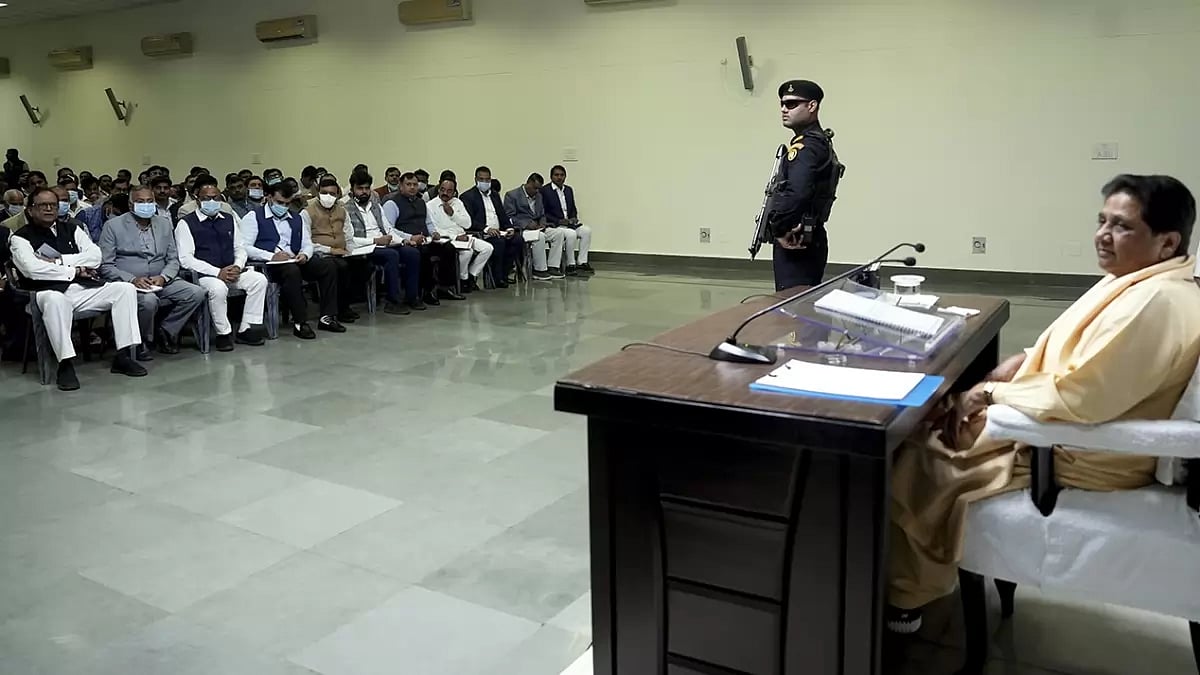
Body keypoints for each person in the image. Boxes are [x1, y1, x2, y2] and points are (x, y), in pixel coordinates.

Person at [886, 174, 1200, 634]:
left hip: (1078, 450)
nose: (1102, 235)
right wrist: (1013, 365)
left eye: (1122, 226)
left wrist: (986, 393)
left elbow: (1081, 396)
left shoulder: (1159, 302)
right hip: (1063, 421)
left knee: (916, 453)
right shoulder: (1141, 281)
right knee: (932, 415)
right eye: (1101, 221)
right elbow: (1070, 353)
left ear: (1167, 241)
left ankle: (907, 596)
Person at [9, 186, 146, 390]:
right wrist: (74, 271)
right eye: (43, 205)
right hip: (44, 292)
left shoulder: (73, 228)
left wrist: (59, 261)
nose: (49, 209)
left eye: (53, 205)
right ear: (30, 210)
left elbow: (95, 256)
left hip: (81, 289)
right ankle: (65, 364)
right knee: (56, 300)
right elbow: (32, 269)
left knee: (124, 289)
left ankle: (123, 355)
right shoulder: (20, 237)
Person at [99, 186, 207, 359]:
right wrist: (132, 279)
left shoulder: (163, 223)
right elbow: (105, 265)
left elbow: (173, 259)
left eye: (150, 201)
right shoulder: (113, 226)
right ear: (130, 204)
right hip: (130, 283)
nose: (146, 205)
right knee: (148, 301)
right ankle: (141, 340)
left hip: (161, 279)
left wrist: (164, 277)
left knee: (196, 293)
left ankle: (166, 330)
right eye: (140, 202)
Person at [241, 181, 344, 338]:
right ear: (268, 197)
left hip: (295, 259)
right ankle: (300, 322)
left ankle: (327, 317)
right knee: (292, 271)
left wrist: (305, 255)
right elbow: (245, 247)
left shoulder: (296, 218)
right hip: (271, 265)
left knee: (328, 265)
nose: (283, 207)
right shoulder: (254, 217)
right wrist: (271, 256)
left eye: (287, 204)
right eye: (279, 202)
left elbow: (307, 244)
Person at [175, 182, 267, 352]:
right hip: (205, 276)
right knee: (218, 288)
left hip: (231, 271)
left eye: (215, 198)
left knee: (258, 280)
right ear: (197, 199)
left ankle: (246, 328)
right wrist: (217, 272)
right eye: (206, 198)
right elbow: (186, 259)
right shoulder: (186, 223)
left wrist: (238, 266)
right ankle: (223, 333)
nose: (211, 201)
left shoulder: (228, 219)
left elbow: (240, 248)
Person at [769, 79, 842, 291]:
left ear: (812, 106)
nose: (784, 109)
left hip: (796, 239)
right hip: (810, 235)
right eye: (782, 104)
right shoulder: (819, 141)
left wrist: (779, 228)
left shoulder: (806, 146)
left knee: (792, 312)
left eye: (792, 104)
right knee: (802, 306)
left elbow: (797, 192)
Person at [344, 172, 424, 313]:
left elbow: (388, 229)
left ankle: (412, 297)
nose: (364, 192)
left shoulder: (376, 206)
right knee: (391, 255)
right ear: (352, 189)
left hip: (384, 243)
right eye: (360, 188)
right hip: (365, 247)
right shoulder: (346, 209)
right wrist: (375, 240)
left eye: (367, 188)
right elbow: (349, 239)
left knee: (412, 253)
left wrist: (405, 240)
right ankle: (392, 301)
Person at [383, 172, 462, 305]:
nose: (413, 187)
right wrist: (410, 237)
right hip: (406, 242)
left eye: (415, 184)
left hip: (425, 240)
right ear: (401, 186)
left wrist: (434, 233)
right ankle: (426, 291)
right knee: (424, 254)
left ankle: (444, 287)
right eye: (408, 184)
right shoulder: (391, 204)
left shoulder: (421, 202)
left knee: (449, 248)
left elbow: (429, 223)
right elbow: (388, 229)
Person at [425, 177, 492, 293]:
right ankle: (462, 280)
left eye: (449, 191)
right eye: (442, 189)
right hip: (448, 239)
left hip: (464, 236)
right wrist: (455, 237)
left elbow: (467, 224)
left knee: (488, 248)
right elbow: (434, 229)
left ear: (454, 192)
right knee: (467, 252)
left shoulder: (458, 203)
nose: (445, 193)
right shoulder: (430, 206)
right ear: (438, 189)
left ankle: (471, 276)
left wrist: (453, 214)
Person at [461, 166, 520, 289]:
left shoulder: (494, 195)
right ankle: (497, 277)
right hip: (483, 233)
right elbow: (469, 221)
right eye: (481, 179)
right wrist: (487, 229)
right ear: (476, 179)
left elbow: (502, 215)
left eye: (487, 180)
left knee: (517, 240)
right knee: (499, 242)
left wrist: (509, 228)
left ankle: (505, 273)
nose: (485, 182)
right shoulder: (467, 196)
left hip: (500, 232)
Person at [504, 174, 562, 282]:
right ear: (528, 183)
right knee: (539, 237)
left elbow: (542, 214)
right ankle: (539, 270)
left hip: (537, 227)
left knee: (558, 234)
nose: (536, 191)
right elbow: (509, 216)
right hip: (522, 229)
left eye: (539, 188)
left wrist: (543, 223)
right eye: (535, 188)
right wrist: (526, 223)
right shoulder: (512, 195)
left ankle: (553, 267)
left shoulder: (538, 196)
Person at [542, 165, 594, 275]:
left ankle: (582, 262)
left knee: (586, 231)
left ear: (565, 176)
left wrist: (574, 218)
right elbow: (544, 212)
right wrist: (559, 221)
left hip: (569, 223)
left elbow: (573, 208)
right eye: (556, 175)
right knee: (571, 234)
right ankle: (570, 264)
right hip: (556, 225)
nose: (559, 177)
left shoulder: (568, 190)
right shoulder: (545, 191)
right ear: (551, 177)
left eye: (562, 175)